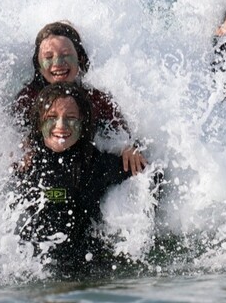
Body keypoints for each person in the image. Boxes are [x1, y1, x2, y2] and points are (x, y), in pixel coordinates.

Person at [12, 82, 150, 276]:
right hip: (34, 272)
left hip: (90, 268)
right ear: (39, 120)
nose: (61, 126)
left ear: (83, 122)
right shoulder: (24, 163)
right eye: (52, 117)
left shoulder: (94, 164)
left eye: (71, 118)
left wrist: (133, 148)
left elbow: (149, 171)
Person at [12, 21, 146, 173]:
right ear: (39, 65)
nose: (58, 63)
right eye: (48, 57)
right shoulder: (28, 98)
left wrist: (128, 147)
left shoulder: (96, 98)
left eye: (66, 55)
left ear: (80, 59)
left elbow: (122, 134)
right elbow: (12, 133)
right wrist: (22, 145)